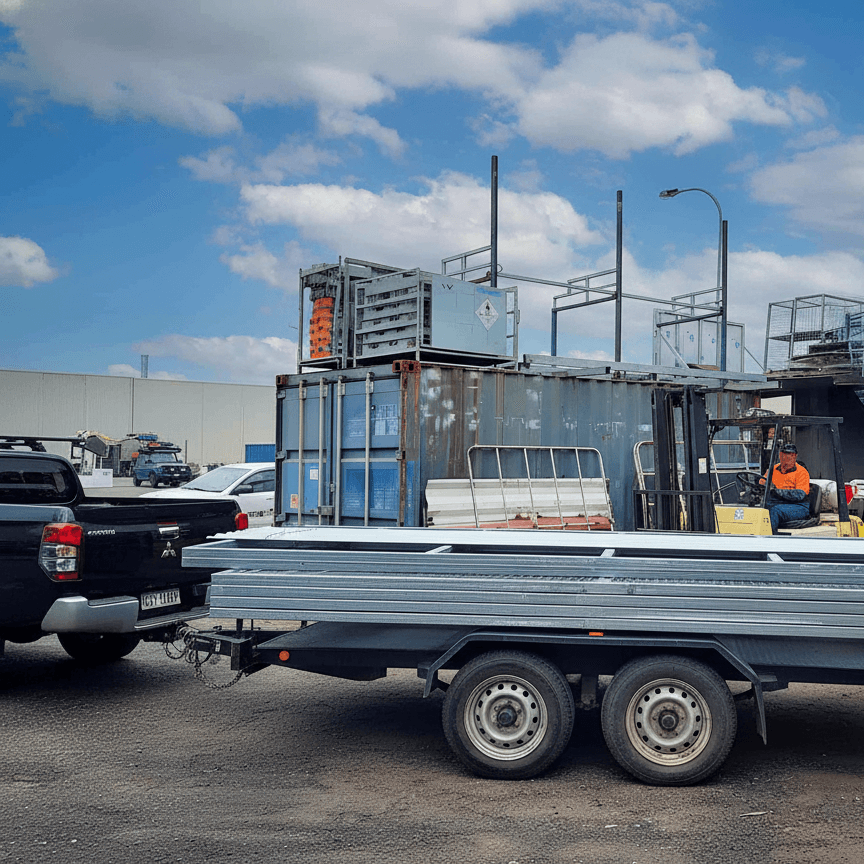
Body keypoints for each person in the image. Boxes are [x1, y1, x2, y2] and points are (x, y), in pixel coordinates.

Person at [760, 443, 811, 534]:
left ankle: (769, 539)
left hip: (798, 506)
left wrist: (776, 491)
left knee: (775, 511)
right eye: (783, 454)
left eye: (789, 455)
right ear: (780, 455)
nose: (785, 458)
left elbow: (799, 495)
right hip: (776, 502)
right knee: (758, 508)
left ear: (794, 456)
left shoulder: (801, 472)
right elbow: (762, 482)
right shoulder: (773, 469)